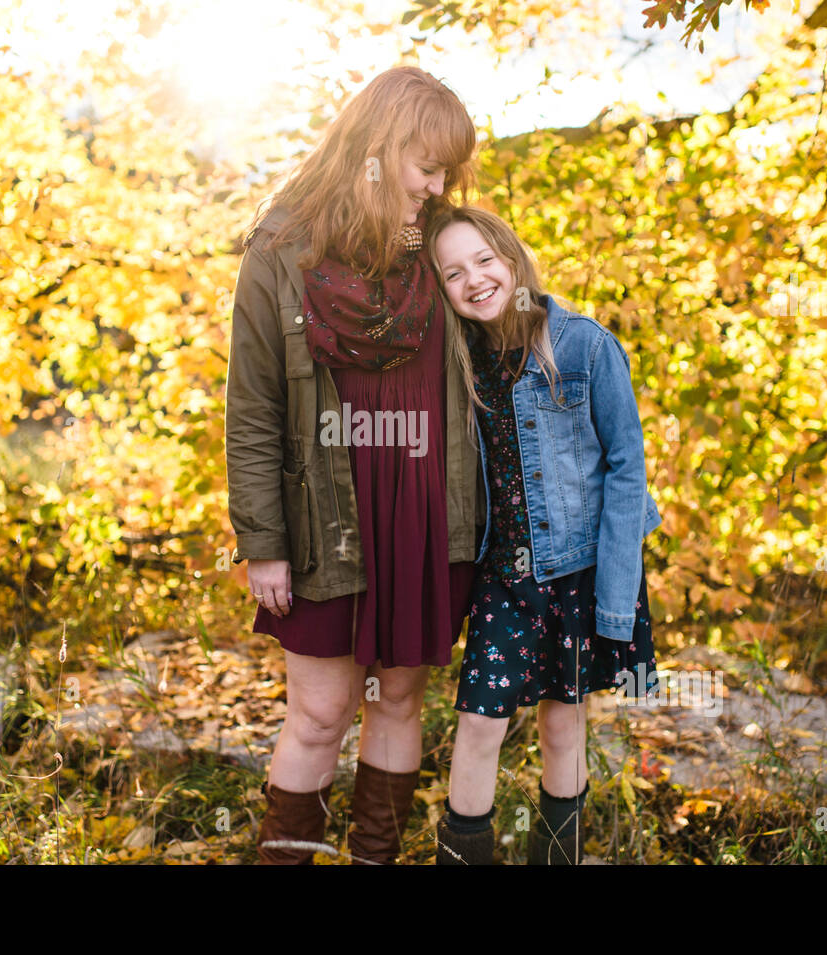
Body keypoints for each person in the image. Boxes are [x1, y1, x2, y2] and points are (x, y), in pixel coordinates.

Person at [224, 66, 484, 864]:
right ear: (377, 147)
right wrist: (261, 541)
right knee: (320, 711)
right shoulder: (280, 252)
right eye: (426, 164)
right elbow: (254, 407)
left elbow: (510, 311)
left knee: (398, 697)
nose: (436, 184)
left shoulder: (440, 242)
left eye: (446, 169)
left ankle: (374, 855)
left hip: (427, 513)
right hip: (322, 522)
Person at [425, 205, 663, 864]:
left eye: (483, 260)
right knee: (477, 723)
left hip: (579, 570)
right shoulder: (459, 361)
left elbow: (626, 471)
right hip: (504, 576)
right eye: (452, 272)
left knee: (564, 722)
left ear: (512, 256)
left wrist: (616, 598)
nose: (473, 279)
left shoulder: (584, 345)